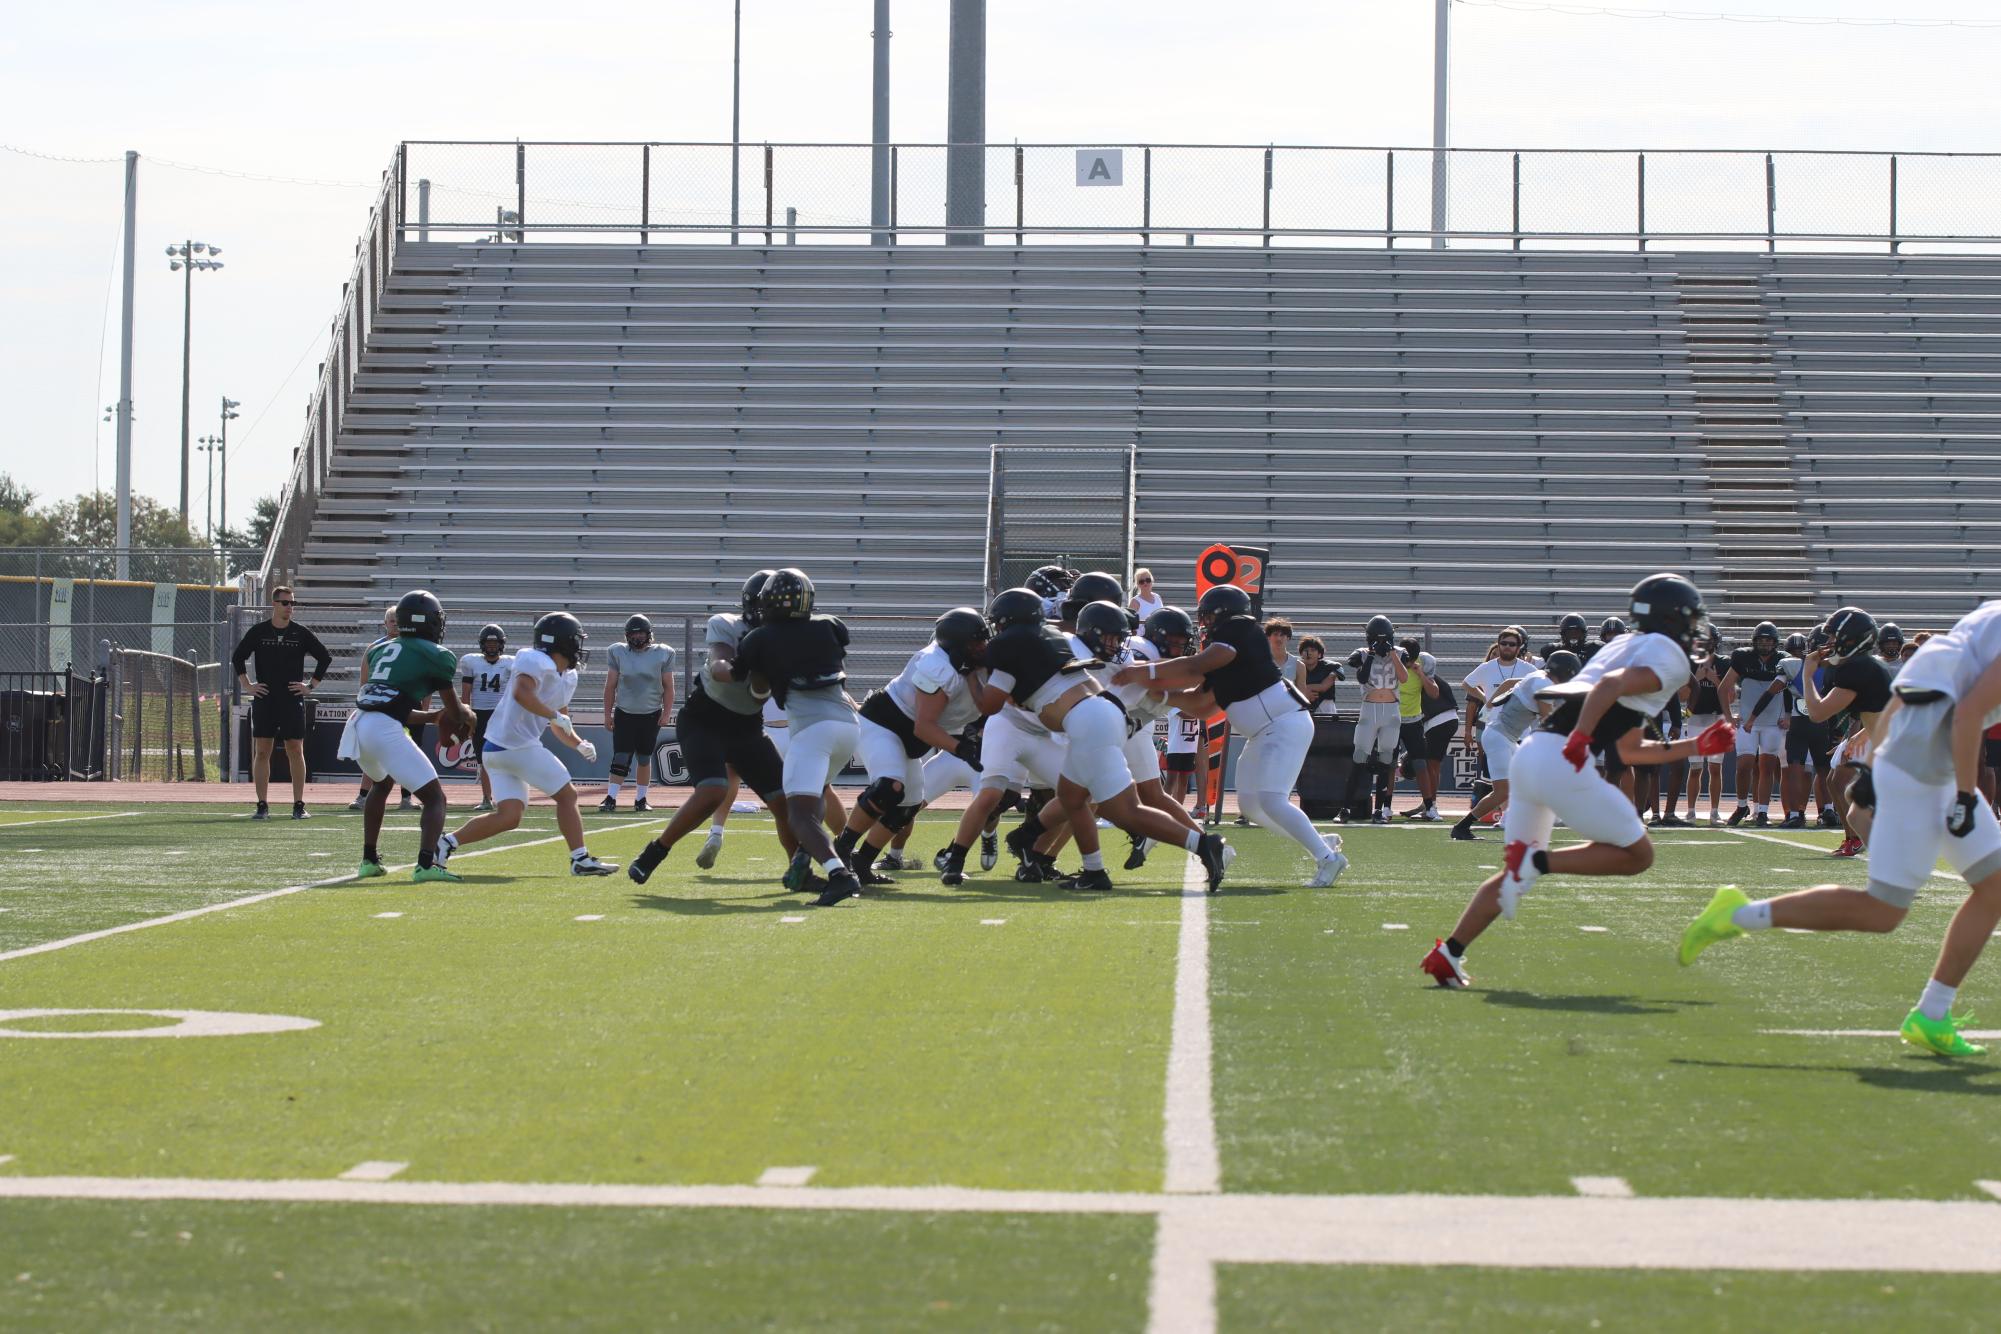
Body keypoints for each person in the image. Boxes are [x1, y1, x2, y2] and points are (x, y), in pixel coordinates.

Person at [1680, 599, 2001, 1057]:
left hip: (1912, 760)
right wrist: (1967, 796)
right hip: (1931, 767)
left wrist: (1875, 765)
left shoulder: (1980, 623)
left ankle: (1737, 915)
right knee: (1983, 889)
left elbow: (1907, 693)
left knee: (1883, 910)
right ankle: (1931, 1014)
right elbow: (1966, 715)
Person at [1420, 574, 1733, 989]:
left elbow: (1630, 747)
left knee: (1515, 873)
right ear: (1672, 618)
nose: (1696, 629)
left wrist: (1695, 745)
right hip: (1560, 758)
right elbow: (1610, 686)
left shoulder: (1623, 645)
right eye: (1691, 619)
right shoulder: (1666, 655)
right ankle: (1540, 862)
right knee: (1637, 855)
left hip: (1532, 755)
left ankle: (1449, 953)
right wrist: (1583, 738)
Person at [975, 589, 1229, 893]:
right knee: (1073, 796)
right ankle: (1040, 847)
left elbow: (1158, 687)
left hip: (1093, 722)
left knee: (1123, 810)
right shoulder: (1075, 646)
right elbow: (1162, 686)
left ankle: (1203, 845)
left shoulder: (1082, 647)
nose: (1114, 645)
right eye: (1108, 638)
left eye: (1116, 638)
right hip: (1099, 721)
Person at [1116, 584, 1343, 887]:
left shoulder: (1241, 630)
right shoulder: (1226, 657)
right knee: (1251, 805)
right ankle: (1318, 841)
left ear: (1222, 614)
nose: (1205, 624)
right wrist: (1159, 697)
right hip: (1264, 731)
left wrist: (1141, 673)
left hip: (1283, 723)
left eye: (1208, 618)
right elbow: (1200, 705)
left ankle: (1328, 859)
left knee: (1272, 800)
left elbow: (1195, 666)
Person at [627, 571, 807, 888]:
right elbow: (721, 668)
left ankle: (798, 872)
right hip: (704, 719)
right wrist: (750, 663)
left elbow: (760, 694)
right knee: (713, 790)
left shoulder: (786, 640)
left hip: (747, 726)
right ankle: (655, 852)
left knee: (782, 800)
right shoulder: (728, 624)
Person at [435, 612, 617, 879]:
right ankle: (579, 859)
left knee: (509, 817)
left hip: (496, 751)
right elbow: (522, 694)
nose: (579, 646)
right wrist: (555, 716)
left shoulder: (567, 675)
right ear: (562, 641)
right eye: (575, 640)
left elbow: (559, 723)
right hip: (516, 747)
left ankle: (445, 843)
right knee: (567, 796)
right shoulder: (536, 661)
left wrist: (578, 743)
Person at [730, 568, 866, 908]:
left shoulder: (759, 639)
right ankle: (806, 857)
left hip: (812, 729)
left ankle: (839, 874)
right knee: (815, 793)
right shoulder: (829, 626)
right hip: (848, 726)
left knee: (798, 814)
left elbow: (747, 682)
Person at [836, 607, 988, 883]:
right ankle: (841, 850)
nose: (982, 647)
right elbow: (924, 726)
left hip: (913, 736)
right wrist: (962, 748)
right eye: (974, 642)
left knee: (908, 806)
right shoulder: (935, 666)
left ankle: (862, 863)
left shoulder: (979, 662)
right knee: (889, 787)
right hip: (884, 724)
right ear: (957, 645)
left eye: (983, 640)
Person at [341, 590, 474, 881]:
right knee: (435, 797)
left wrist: (429, 717)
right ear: (431, 622)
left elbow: (387, 703)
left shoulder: (379, 650)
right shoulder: (436, 654)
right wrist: (469, 716)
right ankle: (426, 865)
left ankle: (368, 860)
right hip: (383, 728)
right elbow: (456, 711)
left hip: (360, 724)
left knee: (381, 783)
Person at [1452, 650, 1580, 840]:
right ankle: (1462, 827)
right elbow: (1547, 720)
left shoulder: (1538, 676)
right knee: (1502, 791)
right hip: (1499, 737)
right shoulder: (1542, 684)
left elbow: (1512, 684)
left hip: (1505, 736)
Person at [231, 584, 332, 820]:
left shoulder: (300, 633)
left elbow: (324, 657)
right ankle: (262, 805)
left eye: (292, 603)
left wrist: (310, 686)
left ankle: (298, 804)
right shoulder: (259, 632)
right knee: (262, 751)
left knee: (295, 750)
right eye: (286, 603)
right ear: (274, 604)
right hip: (265, 699)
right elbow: (238, 657)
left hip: (291, 699)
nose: (290, 608)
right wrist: (248, 685)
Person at [1460, 625, 1539, 828]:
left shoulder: (1528, 669)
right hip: (1497, 727)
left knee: (1522, 777)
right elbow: (1467, 683)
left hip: (1522, 730)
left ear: (1519, 647)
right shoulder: (1487, 667)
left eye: (1511, 644)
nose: (1506, 647)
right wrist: (1485, 698)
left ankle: (1519, 815)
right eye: (1503, 643)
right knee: (1503, 779)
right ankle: (1505, 815)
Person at [349, 605, 424, 813]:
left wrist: (424, 707)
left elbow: (423, 680)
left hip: (408, 704)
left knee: (410, 751)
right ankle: (363, 795)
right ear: (385, 624)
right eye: (392, 621)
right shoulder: (375, 647)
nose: (396, 625)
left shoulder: (413, 646)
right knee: (375, 752)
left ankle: (406, 797)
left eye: (399, 621)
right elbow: (364, 679)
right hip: (382, 705)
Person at [600, 614, 676, 814]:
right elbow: (610, 686)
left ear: (648, 634)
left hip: (651, 713)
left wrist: (667, 712)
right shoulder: (617, 652)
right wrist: (607, 714)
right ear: (627, 635)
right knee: (621, 757)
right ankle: (610, 798)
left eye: (641, 633)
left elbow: (669, 687)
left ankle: (641, 799)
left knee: (644, 757)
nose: (637, 637)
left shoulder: (664, 653)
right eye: (633, 633)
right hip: (625, 712)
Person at [1338, 615, 1408, 822]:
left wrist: (1391, 652)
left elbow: (1403, 678)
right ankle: (1345, 808)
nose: (1381, 643)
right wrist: (1371, 654)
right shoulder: (1361, 654)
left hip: (1391, 710)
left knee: (1386, 761)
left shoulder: (1400, 654)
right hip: (1369, 709)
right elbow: (1361, 677)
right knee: (1359, 757)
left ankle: (1380, 810)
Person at [1720, 620, 1790, 827]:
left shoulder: (1783, 660)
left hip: (1772, 723)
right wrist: (1728, 716)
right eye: (1761, 640)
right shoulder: (1743, 657)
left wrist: (1787, 714)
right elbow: (1723, 688)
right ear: (1755, 641)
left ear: (1775, 642)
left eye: (1769, 640)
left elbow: (1788, 690)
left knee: (1767, 767)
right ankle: (1742, 805)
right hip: (1748, 722)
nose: (1765, 644)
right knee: (1744, 766)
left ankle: (1762, 811)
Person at [1778, 630, 1836, 830]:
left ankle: (1796, 814)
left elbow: (1773, 690)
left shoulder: (1793, 664)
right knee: (1824, 769)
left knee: (1797, 769)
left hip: (1801, 721)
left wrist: (1752, 717)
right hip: (1824, 721)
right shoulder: (1835, 667)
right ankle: (1828, 810)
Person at [458, 623, 513, 812]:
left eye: (494, 643)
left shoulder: (510, 663)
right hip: (479, 714)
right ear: (482, 644)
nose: (491, 646)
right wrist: (466, 715)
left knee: (503, 757)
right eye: (488, 643)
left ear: (501, 644)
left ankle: (506, 797)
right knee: (483, 759)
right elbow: (465, 693)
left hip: (500, 715)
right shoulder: (471, 662)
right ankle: (486, 798)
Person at [1678, 630, 1728, 826]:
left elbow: (1731, 696)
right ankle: (1691, 811)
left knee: (1715, 768)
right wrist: (1697, 680)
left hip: (1717, 718)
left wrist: (1716, 681)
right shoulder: (1690, 663)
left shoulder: (1724, 662)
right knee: (1696, 768)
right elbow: (1681, 696)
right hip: (1695, 718)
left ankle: (1714, 812)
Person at [1296, 636, 1339, 716]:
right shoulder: (1295, 667)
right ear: (1301, 654)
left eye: (1313, 650)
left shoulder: (1330, 667)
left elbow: (1323, 687)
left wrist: (1303, 690)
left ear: (1319, 654)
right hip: (1303, 707)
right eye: (1306, 650)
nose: (1309, 653)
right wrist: (1303, 694)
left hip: (1325, 708)